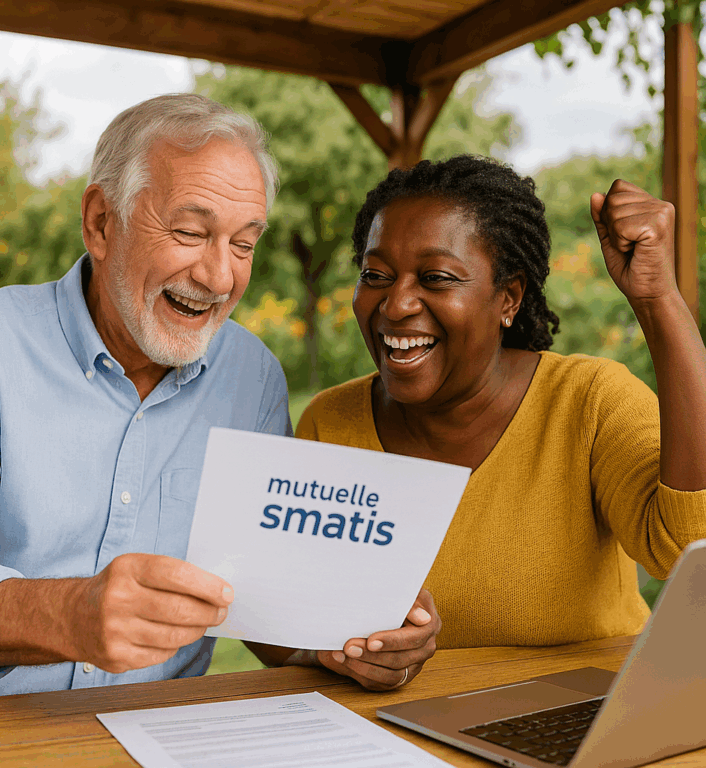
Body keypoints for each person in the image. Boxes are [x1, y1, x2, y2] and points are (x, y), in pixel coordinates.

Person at [0, 94, 438, 700]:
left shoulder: (252, 376)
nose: (219, 277)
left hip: (160, 732)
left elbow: (257, 597)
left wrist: (343, 640)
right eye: (190, 232)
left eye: (244, 244)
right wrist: (73, 613)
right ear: (101, 222)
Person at [296, 154, 706, 653]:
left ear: (508, 298)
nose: (396, 304)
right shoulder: (330, 423)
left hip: (583, 720)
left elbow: (685, 545)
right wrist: (346, 657)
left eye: (437, 278)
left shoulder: (590, 402)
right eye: (376, 275)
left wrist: (657, 297)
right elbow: (295, 620)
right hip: (391, 728)